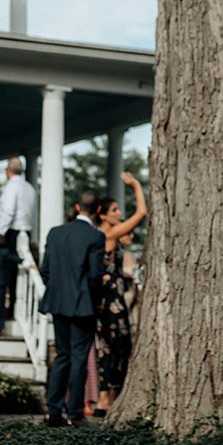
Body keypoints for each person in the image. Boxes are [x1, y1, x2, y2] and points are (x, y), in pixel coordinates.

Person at [41, 189, 106, 427]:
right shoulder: (95, 237)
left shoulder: (56, 233)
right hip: (83, 304)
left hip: (58, 302)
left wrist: (59, 290)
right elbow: (95, 275)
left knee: (62, 356)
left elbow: (45, 270)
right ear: (98, 210)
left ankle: (52, 410)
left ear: (78, 207)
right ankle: (75, 414)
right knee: (79, 358)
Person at [93, 173, 148, 412]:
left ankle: (109, 396)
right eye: (114, 210)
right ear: (103, 215)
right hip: (110, 299)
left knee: (113, 346)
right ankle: (107, 398)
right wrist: (136, 186)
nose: (118, 214)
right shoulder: (107, 234)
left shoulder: (107, 236)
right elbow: (141, 214)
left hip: (106, 297)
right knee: (114, 346)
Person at [0, 158, 38, 316]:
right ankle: (18, 306)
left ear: (8, 171)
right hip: (27, 230)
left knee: (9, 268)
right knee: (22, 266)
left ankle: (9, 307)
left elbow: (7, 211)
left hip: (12, 231)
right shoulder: (30, 188)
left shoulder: (12, 187)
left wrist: (0, 232)